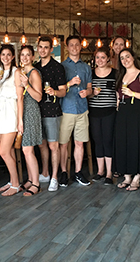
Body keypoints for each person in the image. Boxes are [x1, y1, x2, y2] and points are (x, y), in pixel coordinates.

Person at [115, 49, 140, 191]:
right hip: (123, 113)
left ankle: (137, 176)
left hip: (137, 112)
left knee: (137, 143)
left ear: (133, 58)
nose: (125, 60)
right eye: (122, 58)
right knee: (124, 143)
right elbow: (118, 95)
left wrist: (133, 93)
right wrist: (118, 103)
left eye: (127, 57)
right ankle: (127, 176)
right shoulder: (121, 75)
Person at [59, 35, 93, 187]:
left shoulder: (86, 67)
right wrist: (70, 83)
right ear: (67, 47)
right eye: (71, 45)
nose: (74, 47)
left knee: (80, 143)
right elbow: (58, 89)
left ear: (80, 47)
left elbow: (90, 88)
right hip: (66, 108)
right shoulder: (61, 67)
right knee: (63, 144)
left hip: (82, 109)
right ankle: (64, 173)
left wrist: (87, 92)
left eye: (77, 45)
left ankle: (78, 172)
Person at [34, 36, 67, 192]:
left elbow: (63, 91)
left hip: (53, 111)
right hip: (37, 111)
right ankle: (45, 173)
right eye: (41, 47)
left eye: (46, 47)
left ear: (51, 49)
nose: (43, 50)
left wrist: (54, 92)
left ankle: (54, 177)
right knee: (42, 145)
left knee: (54, 145)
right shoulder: (34, 67)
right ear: (37, 48)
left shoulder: (57, 67)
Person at [0, 44, 22, 196]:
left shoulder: (17, 72)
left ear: (13, 56)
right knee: (8, 151)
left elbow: (20, 97)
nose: (5, 57)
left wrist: (20, 120)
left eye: (8, 54)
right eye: (3, 54)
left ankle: (16, 184)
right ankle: (12, 181)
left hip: (10, 111)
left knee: (3, 151)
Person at [88, 47, 117, 185]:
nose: (100, 60)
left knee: (108, 141)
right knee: (98, 141)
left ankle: (109, 173)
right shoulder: (91, 74)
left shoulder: (115, 74)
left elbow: (118, 92)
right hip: (94, 112)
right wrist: (93, 93)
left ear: (108, 59)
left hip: (110, 112)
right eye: (97, 57)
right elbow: (88, 94)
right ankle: (100, 171)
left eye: (103, 57)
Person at [18, 45, 43, 196]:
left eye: (28, 55)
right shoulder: (22, 72)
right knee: (25, 149)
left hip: (32, 111)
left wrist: (27, 85)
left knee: (28, 149)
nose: (25, 57)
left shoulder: (34, 73)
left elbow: (39, 97)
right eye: (22, 55)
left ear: (33, 57)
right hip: (24, 112)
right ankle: (30, 179)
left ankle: (36, 183)